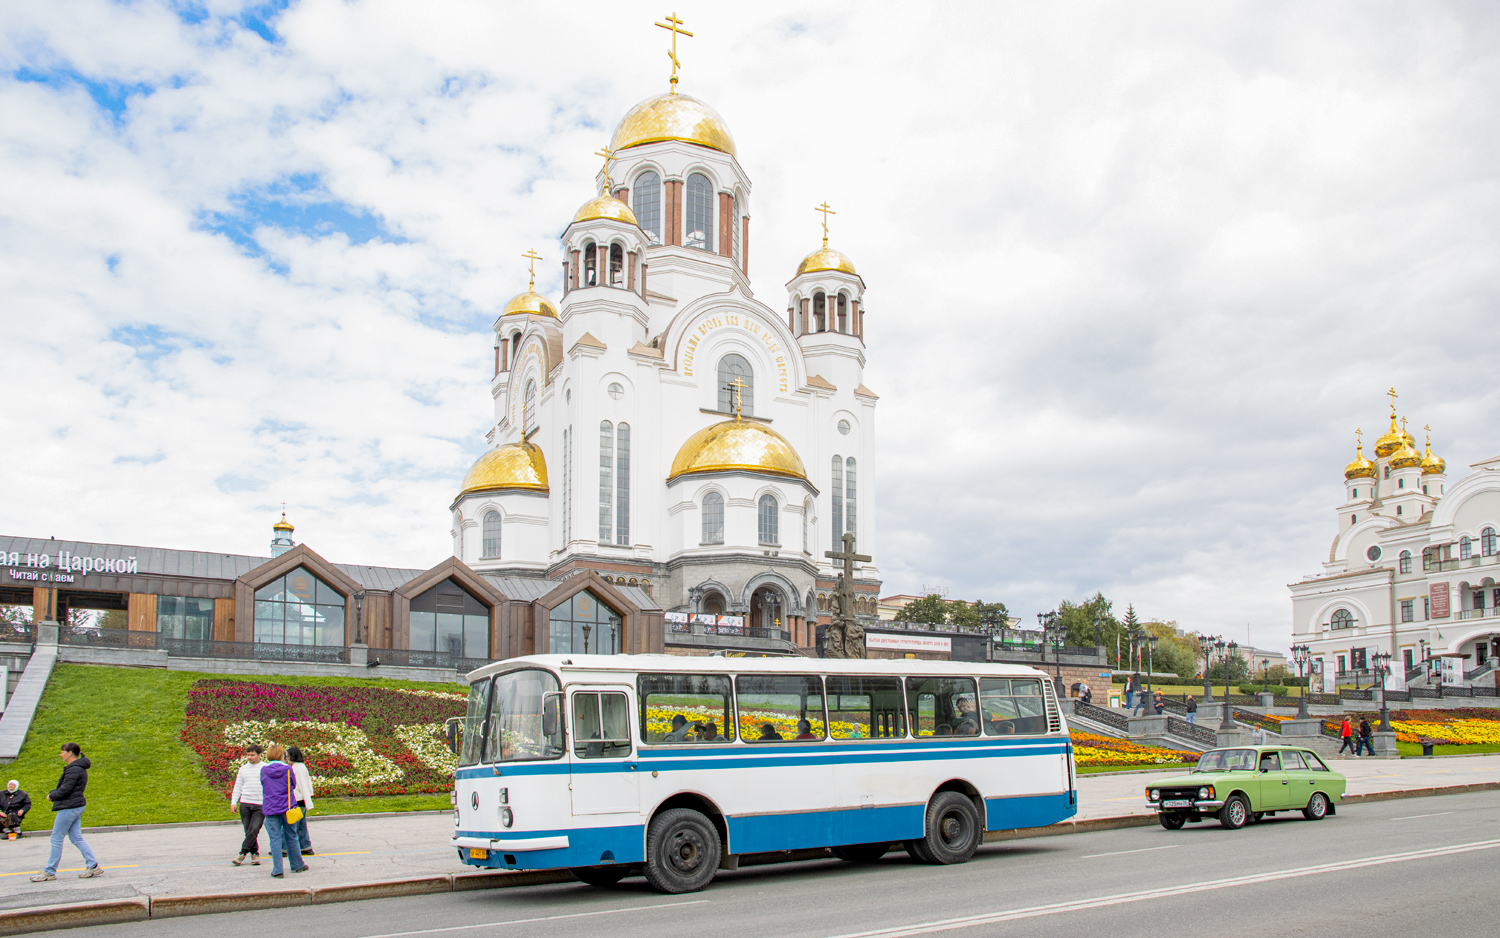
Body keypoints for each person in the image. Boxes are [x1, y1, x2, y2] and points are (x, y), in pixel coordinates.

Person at [31, 743, 100, 882]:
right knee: (76, 838)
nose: (61, 754)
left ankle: (49, 871)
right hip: (76, 805)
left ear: (69, 753)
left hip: (69, 806)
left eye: (62, 752)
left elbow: (65, 789)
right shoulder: (78, 768)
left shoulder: (73, 769)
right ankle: (92, 865)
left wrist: (51, 795)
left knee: (56, 838)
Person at [258, 745, 308, 878]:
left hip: (270, 807)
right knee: (291, 835)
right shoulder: (287, 769)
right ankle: (297, 865)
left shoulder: (264, 770)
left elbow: (263, 784)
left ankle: (278, 869)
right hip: (287, 807)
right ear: (282, 756)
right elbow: (293, 784)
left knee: (274, 838)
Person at [230, 744, 266, 866]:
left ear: (259, 755)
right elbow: (238, 786)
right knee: (248, 830)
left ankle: (242, 853)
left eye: (252, 755)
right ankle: (255, 853)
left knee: (254, 829)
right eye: (248, 755)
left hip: (260, 804)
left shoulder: (265, 768)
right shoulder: (243, 769)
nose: (250, 757)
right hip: (245, 803)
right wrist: (234, 802)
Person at [286, 747, 315, 857]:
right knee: (301, 825)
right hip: (300, 799)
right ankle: (305, 846)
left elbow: (303, 785)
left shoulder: (297, 768)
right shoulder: (300, 767)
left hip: (298, 799)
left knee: (293, 825)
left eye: (287, 756)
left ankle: (286, 848)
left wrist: (308, 801)